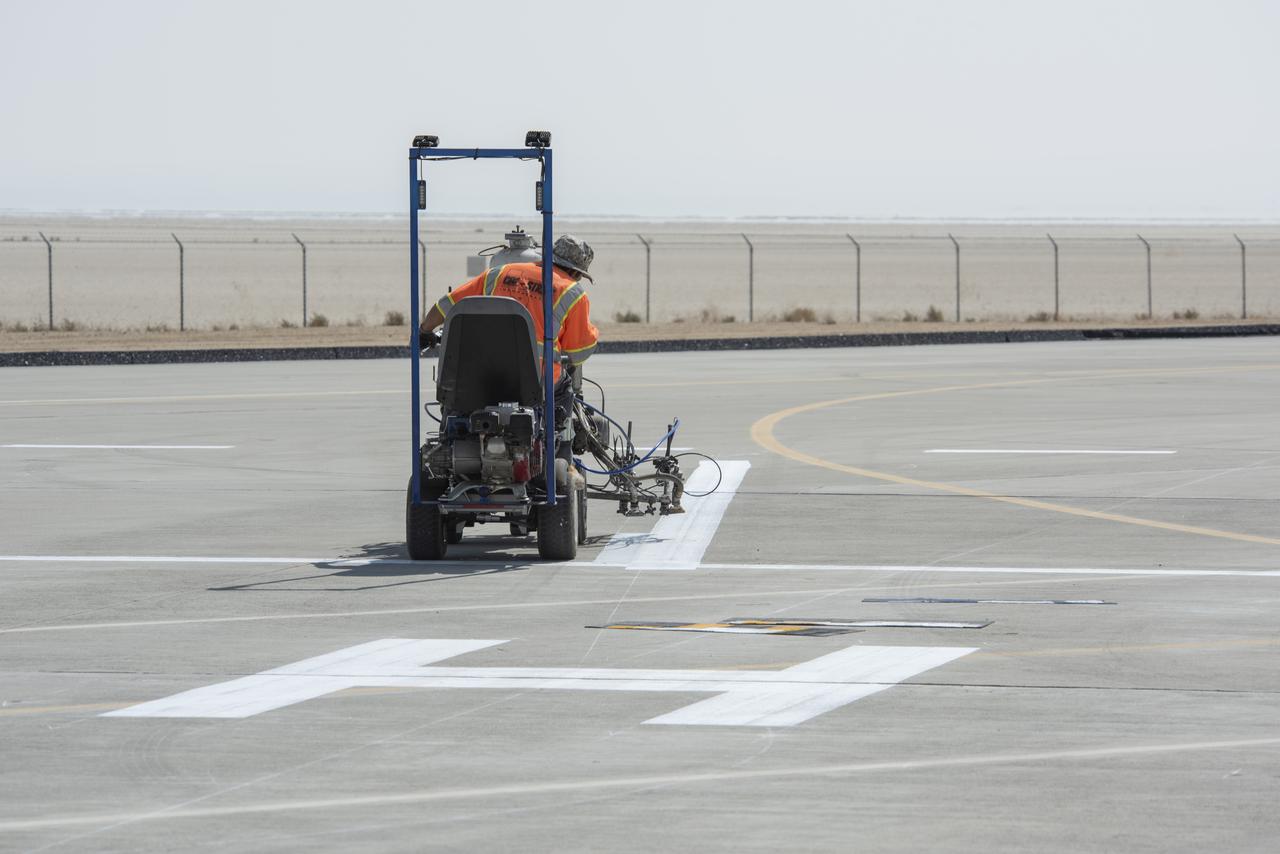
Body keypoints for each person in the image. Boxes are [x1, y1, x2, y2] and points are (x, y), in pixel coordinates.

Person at [419, 234, 598, 385]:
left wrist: (425, 330)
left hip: (482, 374)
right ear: (576, 272)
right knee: (565, 391)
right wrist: (593, 333)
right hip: (537, 380)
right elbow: (576, 353)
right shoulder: (573, 292)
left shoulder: (497, 273)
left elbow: (447, 304)